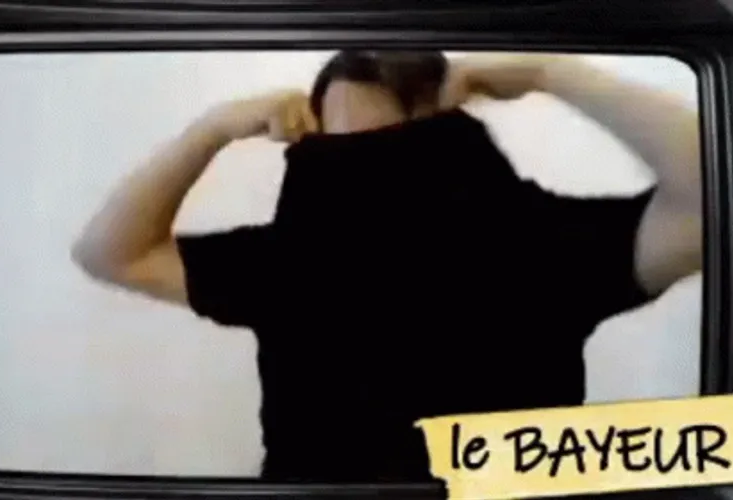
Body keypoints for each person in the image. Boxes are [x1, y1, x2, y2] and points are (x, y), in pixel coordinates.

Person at [71, 51, 701, 481]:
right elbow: (109, 252)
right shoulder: (291, 262)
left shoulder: (538, 243)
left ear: (448, 132)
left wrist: (552, 72)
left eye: (395, 155)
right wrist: (211, 130)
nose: (363, 182)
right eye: (336, 156)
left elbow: (711, 205)